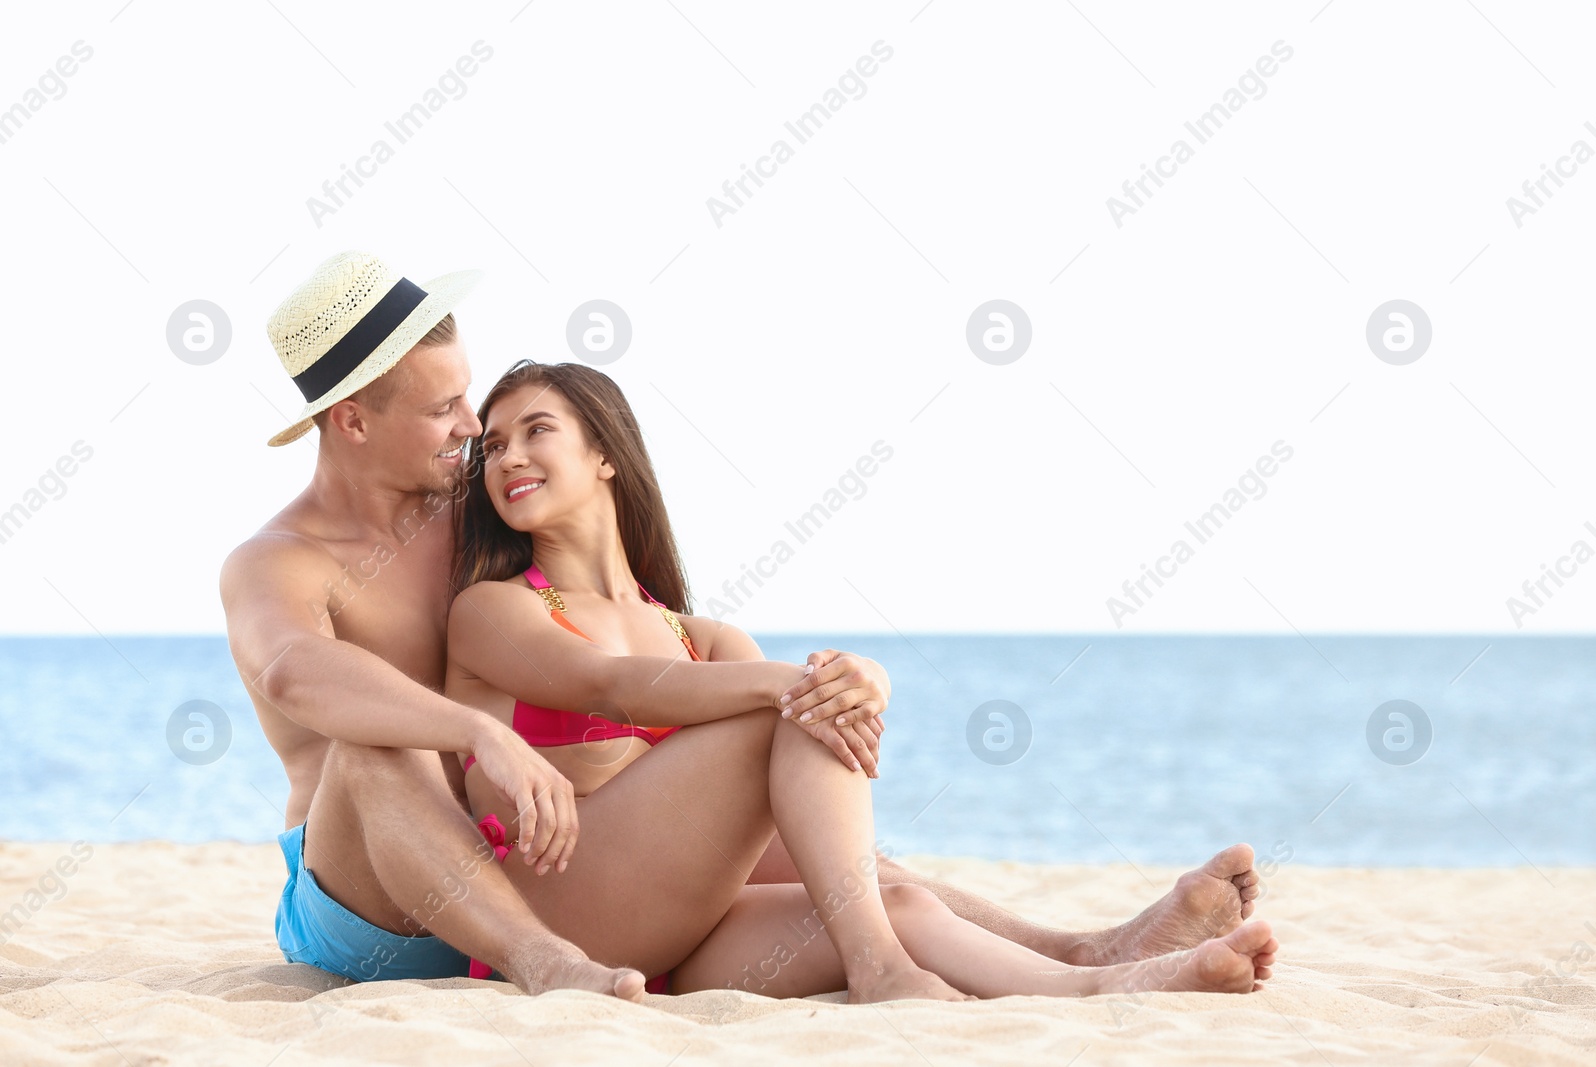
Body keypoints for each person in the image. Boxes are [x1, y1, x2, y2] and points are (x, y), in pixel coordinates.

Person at [222, 250, 1270, 1002]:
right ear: (350, 418)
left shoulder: (484, 515)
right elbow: (296, 672)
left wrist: (840, 681)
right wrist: (476, 731)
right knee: (376, 747)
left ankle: (1085, 953)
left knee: (850, 869)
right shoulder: (283, 560)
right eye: (445, 411)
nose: (471, 434)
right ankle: (543, 962)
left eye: (480, 415)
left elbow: (635, 653)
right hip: (377, 914)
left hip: (541, 861)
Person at [439, 358, 1279, 999]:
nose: (507, 454)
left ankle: (1094, 971)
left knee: (893, 901)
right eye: (495, 442)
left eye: (535, 429)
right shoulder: (494, 610)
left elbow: (802, 787)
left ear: (607, 455)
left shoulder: (704, 635)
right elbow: (613, 684)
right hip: (557, 920)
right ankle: (882, 972)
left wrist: (866, 676)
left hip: (672, 949)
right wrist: (803, 684)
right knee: (796, 714)